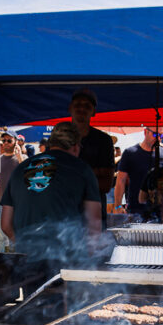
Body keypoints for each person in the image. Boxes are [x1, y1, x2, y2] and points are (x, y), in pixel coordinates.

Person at [0, 122, 102, 269]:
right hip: (67, 261)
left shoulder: (21, 168)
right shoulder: (82, 169)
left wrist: (25, 245)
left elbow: (5, 224)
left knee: (34, 293)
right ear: (75, 146)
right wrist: (84, 263)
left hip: (27, 261)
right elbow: (94, 222)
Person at [68, 88, 116, 225]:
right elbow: (53, 179)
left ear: (94, 111)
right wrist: (92, 174)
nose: (81, 108)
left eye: (87, 106)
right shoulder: (58, 137)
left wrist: (70, 178)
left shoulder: (103, 140)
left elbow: (106, 184)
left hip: (93, 217)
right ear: (70, 108)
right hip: (63, 214)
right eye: (78, 104)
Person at [114, 127, 163, 214]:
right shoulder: (130, 153)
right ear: (146, 132)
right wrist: (118, 206)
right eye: (155, 134)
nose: (158, 138)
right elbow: (120, 181)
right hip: (135, 210)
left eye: (161, 136)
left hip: (158, 211)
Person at [0, 129, 23, 200]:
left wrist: (20, 157)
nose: (6, 143)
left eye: (9, 141)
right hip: (1, 203)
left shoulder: (23, 158)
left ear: (16, 142)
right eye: (4, 140)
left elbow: (28, 175)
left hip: (17, 202)